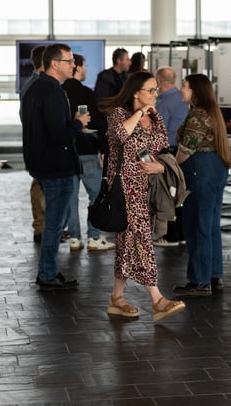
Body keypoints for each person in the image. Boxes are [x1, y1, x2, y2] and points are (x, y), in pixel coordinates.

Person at [102, 71, 186, 321]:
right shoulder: (119, 113)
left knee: (128, 243)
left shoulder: (155, 116)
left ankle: (117, 297)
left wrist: (160, 166)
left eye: (155, 90)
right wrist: (139, 112)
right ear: (136, 92)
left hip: (145, 188)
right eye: (150, 90)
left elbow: (159, 148)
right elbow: (119, 136)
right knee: (141, 240)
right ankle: (157, 299)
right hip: (123, 188)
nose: (154, 95)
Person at [22, 43, 91, 290]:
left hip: (45, 164)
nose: (74, 65)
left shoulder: (36, 87)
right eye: (69, 61)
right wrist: (78, 123)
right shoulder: (49, 91)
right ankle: (48, 274)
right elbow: (59, 134)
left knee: (55, 222)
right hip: (56, 166)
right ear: (55, 64)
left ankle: (48, 272)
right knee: (55, 223)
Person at [173, 74, 231, 296]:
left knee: (196, 225)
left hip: (200, 171)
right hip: (214, 169)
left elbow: (186, 149)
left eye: (185, 86)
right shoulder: (211, 112)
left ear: (195, 90)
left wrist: (171, 167)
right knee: (210, 225)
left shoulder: (197, 115)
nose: (181, 89)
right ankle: (213, 275)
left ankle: (199, 280)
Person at [62, 53, 115, 252]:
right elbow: (98, 124)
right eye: (84, 66)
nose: (85, 70)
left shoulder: (60, 92)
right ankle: (94, 236)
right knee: (95, 194)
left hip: (67, 152)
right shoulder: (86, 93)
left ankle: (74, 238)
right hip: (87, 151)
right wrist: (104, 150)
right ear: (77, 67)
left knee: (71, 197)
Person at [153, 66, 189, 247]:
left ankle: (172, 235)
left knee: (169, 193)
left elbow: (159, 130)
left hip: (169, 152)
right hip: (181, 151)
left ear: (158, 81)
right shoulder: (182, 99)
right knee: (179, 192)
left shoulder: (163, 103)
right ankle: (181, 233)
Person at [19, 44, 47, 243]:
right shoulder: (36, 85)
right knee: (40, 186)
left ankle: (44, 226)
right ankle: (41, 227)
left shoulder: (32, 83)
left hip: (36, 145)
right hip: (39, 146)